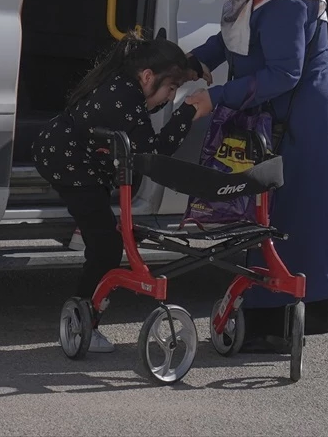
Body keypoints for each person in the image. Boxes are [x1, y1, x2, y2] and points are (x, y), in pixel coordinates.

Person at [188, 0, 328, 352]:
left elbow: (284, 71)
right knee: (270, 213)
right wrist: (192, 62)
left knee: (296, 216)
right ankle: (265, 317)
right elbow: (232, 41)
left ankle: (285, 321)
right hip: (277, 111)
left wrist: (217, 96)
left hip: (304, 117)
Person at [34, 34, 214, 353]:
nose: (168, 98)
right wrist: (188, 113)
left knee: (104, 230)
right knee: (106, 246)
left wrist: (191, 70)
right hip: (72, 166)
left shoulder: (123, 83)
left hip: (72, 156)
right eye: (170, 89)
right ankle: (83, 323)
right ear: (147, 76)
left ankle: (88, 233)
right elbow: (150, 155)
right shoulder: (125, 99)